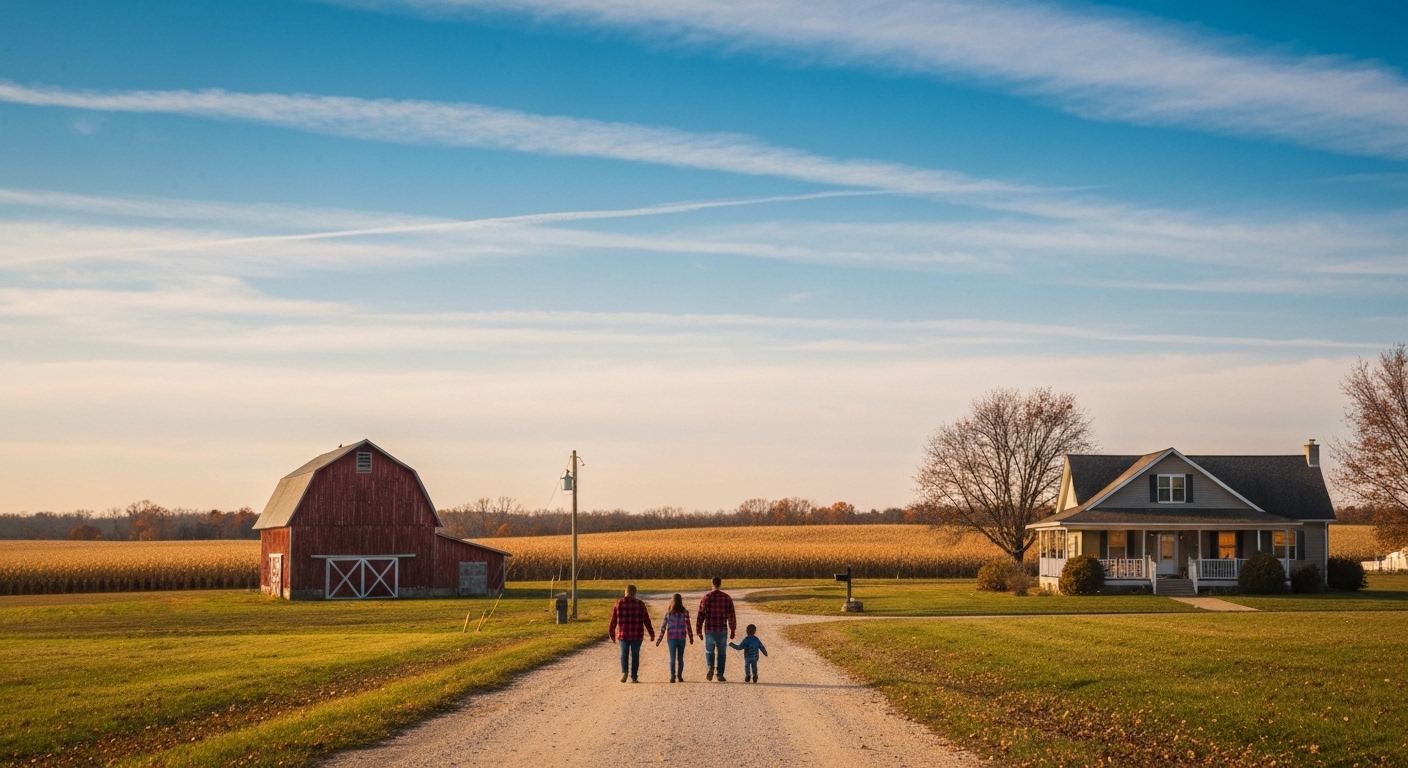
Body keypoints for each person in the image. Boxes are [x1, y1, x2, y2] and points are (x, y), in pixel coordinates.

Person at [607, 584, 655, 683]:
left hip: (623, 634)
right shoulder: (640, 604)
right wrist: (651, 633)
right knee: (635, 655)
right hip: (637, 635)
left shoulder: (619, 603)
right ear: (634, 593)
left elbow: (613, 620)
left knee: (624, 654)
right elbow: (647, 620)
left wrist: (611, 634)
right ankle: (634, 677)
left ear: (626, 592)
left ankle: (624, 672)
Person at [695, 576, 736, 682]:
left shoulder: (706, 597)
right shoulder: (727, 598)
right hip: (722, 630)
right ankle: (720, 674)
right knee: (722, 653)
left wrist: (698, 630)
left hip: (709, 629)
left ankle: (710, 666)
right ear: (720, 584)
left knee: (709, 651)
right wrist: (733, 630)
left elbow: (701, 614)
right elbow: (731, 615)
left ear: (712, 584)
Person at [654, 593, 695, 682]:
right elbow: (688, 626)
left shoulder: (669, 613)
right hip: (681, 637)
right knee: (680, 658)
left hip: (671, 638)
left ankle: (672, 676)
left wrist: (659, 639)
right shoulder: (685, 612)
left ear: (672, 601)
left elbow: (663, 627)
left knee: (672, 658)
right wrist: (691, 637)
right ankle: (679, 676)